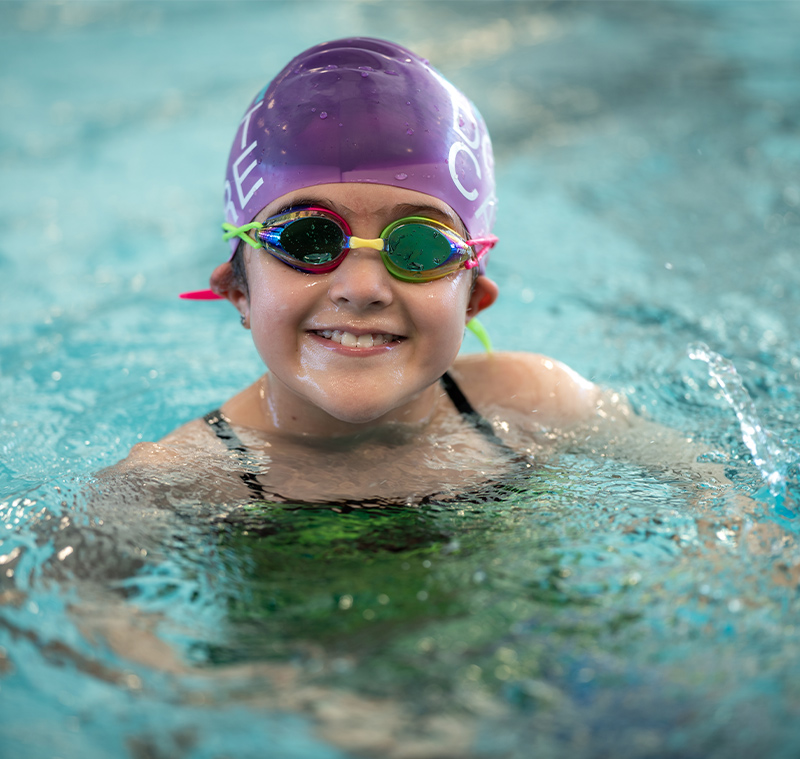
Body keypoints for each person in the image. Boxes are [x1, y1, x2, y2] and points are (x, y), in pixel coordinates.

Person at [116, 37, 614, 506]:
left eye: (419, 247)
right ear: (238, 292)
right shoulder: (169, 487)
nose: (362, 289)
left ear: (471, 301)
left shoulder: (539, 403)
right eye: (307, 240)